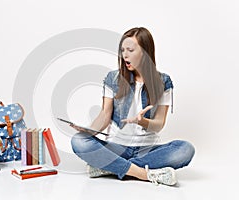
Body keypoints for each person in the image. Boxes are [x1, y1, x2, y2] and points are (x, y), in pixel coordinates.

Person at [70, 27, 195, 186]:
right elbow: (104, 116)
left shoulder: (163, 82)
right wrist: (89, 130)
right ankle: (143, 174)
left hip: (147, 150)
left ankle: (110, 167)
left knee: (185, 149)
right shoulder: (112, 79)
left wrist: (143, 121)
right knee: (79, 141)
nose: (125, 55)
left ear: (145, 52)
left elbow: (159, 124)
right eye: (122, 50)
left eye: (130, 50)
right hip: (116, 146)